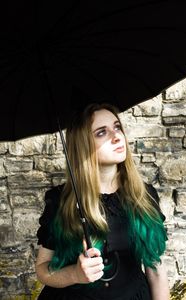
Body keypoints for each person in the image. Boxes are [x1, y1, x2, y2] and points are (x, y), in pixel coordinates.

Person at [35, 103, 170, 300]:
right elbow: (42, 270)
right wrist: (75, 274)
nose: (117, 136)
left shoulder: (143, 196)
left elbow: (156, 270)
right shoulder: (61, 201)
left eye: (117, 127)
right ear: (83, 144)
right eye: (101, 132)